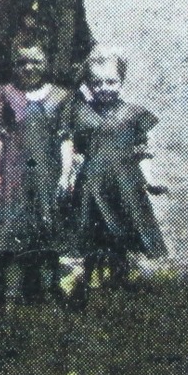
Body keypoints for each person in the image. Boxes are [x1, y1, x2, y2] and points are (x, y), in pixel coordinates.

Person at [66, 48, 168, 288]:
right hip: (91, 185)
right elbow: (73, 149)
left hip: (124, 184)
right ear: (88, 84)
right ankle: (92, 281)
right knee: (93, 235)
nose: (104, 88)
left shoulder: (133, 114)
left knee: (121, 233)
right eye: (96, 83)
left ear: (122, 81)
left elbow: (143, 150)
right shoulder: (81, 112)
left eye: (111, 81)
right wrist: (68, 177)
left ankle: (120, 282)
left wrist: (149, 179)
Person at [0, 36, 74, 303]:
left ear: (47, 62)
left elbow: (65, 139)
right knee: (13, 234)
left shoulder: (61, 97)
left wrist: (66, 174)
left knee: (47, 232)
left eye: (36, 61)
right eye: (21, 62)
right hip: (14, 176)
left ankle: (47, 293)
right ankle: (11, 295)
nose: (28, 67)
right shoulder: (2, 94)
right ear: (13, 64)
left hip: (47, 175)